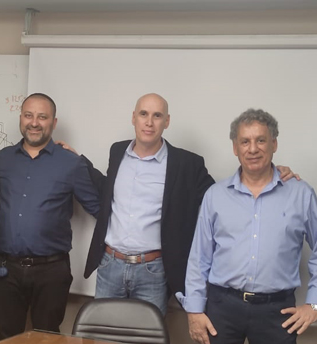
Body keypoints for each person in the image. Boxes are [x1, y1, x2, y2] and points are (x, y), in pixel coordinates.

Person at [82, 94, 296, 315]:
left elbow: (221, 199)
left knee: (147, 336)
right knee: (101, 333)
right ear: (133, 117)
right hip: (110, 265)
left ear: (167, 121)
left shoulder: (186, 164)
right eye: (144, 114)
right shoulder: (117, 152)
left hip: (153, 271)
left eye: (157, 116)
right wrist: (77, 161)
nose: (149, 122)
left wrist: (268, 173)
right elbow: (106, 191)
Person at [182, 108, 317, 344]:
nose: (253, 148)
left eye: (261, 140)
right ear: (235, 147)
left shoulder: (300, 193)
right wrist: (194, 310)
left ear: (274, 144)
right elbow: (199, 256)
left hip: (276, 311)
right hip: (221, 307)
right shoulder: (215, 195)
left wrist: (316, 304)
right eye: (245, 141)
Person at [0, 93, 100, 341]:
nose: (34, 122)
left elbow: (97, 207)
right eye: (29, 115)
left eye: (42, 117)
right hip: (6, 268)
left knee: (48, 342)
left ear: (54, 122)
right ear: (21, 118)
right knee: (6, 340)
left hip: (51, 271)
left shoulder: (71, 163)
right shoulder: (2, 159)